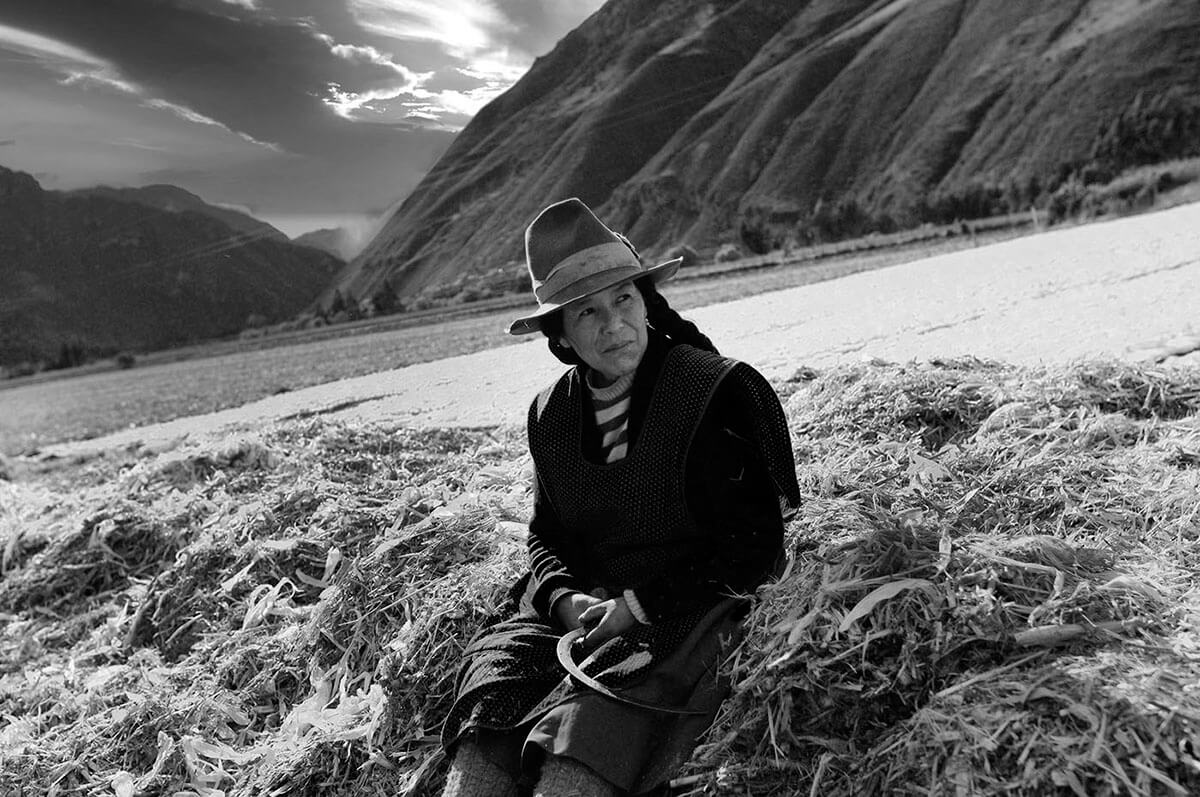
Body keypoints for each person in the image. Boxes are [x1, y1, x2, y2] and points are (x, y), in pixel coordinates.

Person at [439, 198, 801, 796]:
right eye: (587, 313)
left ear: (645, 299)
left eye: (624, 300)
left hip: (685, 609)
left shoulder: (715, 394)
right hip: (584, 616)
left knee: (582, 744)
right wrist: (562, 600)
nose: (614, 326)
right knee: (491, 718)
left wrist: (636, 607)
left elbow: (753, 546)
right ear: (559, 335)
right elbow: (546, 536)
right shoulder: (551, 415)